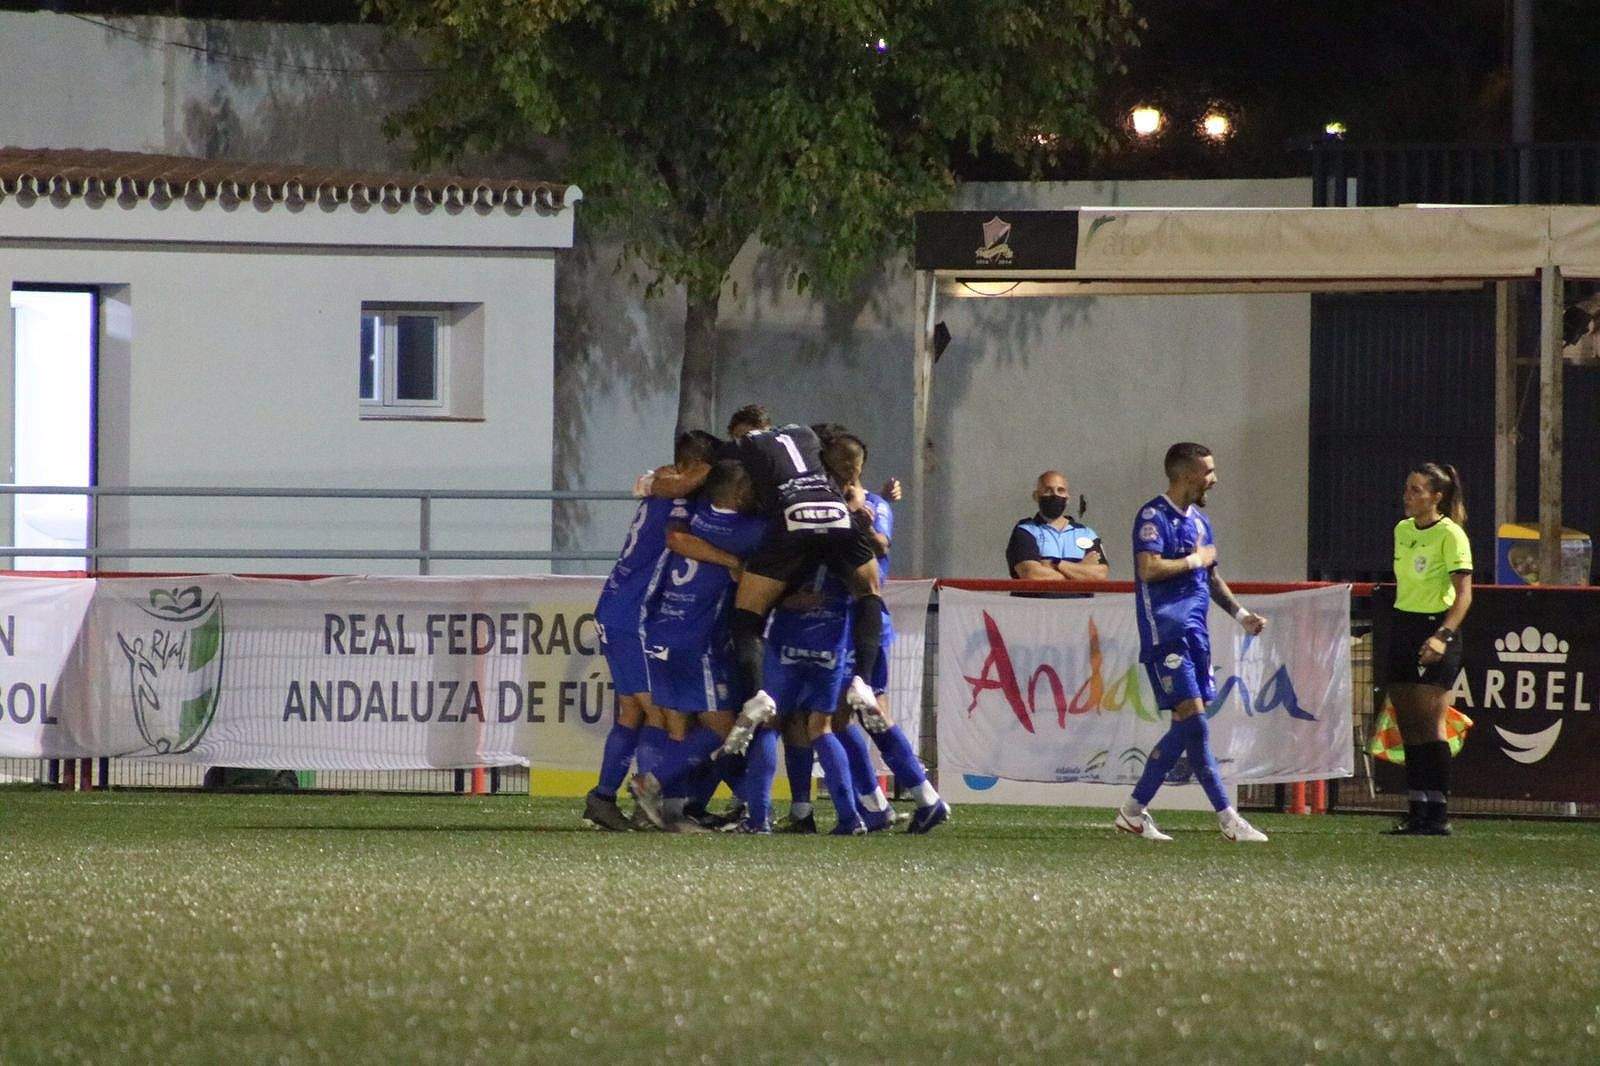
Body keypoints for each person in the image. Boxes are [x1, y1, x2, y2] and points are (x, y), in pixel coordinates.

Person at [1114, 442, 1271, 844]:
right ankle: (1225, 818)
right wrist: (1194, 560)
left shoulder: (1200, 523)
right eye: (1209, 472)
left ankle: (1134, 812)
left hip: (1195, 638)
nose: (1214, 480)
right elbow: (1148, 569)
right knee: (1196, 722)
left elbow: (1211, 578)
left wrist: (1241, 614)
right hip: (1166, 635)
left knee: (1191, 728)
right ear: (1187, 475)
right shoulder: (1153, 516)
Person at [716, 417, 891, 756]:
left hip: (792, 518)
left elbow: (715, 469)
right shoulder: (804, 433)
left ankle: (757, 696)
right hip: (834, 511)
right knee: (869, 592)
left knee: (747, 615)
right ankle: (863, 682)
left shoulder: (745, 445)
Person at [583, 429, 721, 831]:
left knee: (633, 711)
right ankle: (648, 805)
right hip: (633, 614)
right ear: (697, 467)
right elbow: (678, 527)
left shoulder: (664, 486)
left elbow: (664, 479)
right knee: (660, 712)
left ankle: (605, 798)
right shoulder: (678, 492)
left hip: (618, 606)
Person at [627, 460, 769, 832]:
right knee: (725, 730)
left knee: (681, 729)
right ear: (739, 494)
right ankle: (651, 782)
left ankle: (666, 810)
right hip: (697, 642)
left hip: (662, 635)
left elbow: (675, 534)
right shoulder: (746, 531)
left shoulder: (696, 515)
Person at [822, 432, 950, 834]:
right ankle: (885, 804)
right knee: (845, 718)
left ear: (858, 467)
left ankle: (917, 798)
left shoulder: (873, 505)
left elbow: (881, 546)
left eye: (849, 465)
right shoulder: (828, 502)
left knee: (850, 717)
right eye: (837, 464)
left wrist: (859, 516)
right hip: (841, 623)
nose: (842, 471)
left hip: (862, 624)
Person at [1383, 463, 1473, 836]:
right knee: (1407, 722)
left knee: (1430, 722)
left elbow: (1464, 595)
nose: (1409, 496)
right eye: (1408, 488)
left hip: (1434, 627)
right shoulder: (1402, 530)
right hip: (1403, 624)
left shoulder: (1451, 535)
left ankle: (1437, 812)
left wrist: (1442, 636)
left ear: (1437, 497)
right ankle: (1417, 807)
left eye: (1418, 490)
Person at [1005, 471, 1110, 581]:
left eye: (1060, 490)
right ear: (1036, 496)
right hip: (1038, 599)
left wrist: (1055, 564)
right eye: (1048, 490)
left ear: (1067, 498)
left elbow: (1100, 576)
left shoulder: (1087, 533)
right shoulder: (1025, 531)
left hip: (1080, 599)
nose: (1055, 495)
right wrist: (1080, 571)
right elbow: (1032, 574)